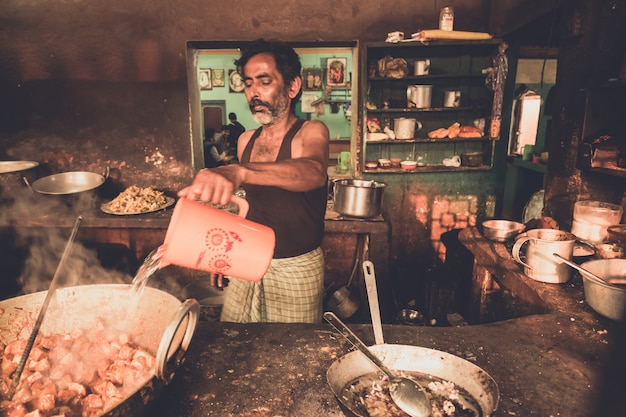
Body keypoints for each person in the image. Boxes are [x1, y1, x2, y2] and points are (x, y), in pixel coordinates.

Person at [178, 38, 329, 324]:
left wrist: (238, 171)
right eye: (248, 83)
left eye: (264, 81)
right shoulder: (246, 139)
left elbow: (312, 171)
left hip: (295, 267)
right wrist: (222, 250)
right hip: (246, 258)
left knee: (292, 356)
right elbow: (246, 205)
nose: (253, 93)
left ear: (293, 87)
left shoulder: (310, 131)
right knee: (236, 346)